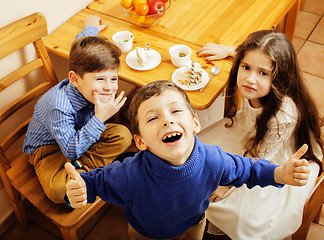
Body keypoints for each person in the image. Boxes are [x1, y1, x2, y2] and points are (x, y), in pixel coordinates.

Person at [64, 80, 310, 240]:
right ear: (140, 142)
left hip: (194, 226)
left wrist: (279, 174)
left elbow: (247, 169)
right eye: (152, 118)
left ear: (194, 123)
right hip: (146, 235)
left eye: (175, 111)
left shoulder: (213, 160)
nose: (167, 121)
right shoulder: (129, 173)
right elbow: (91, 182)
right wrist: (77, 190)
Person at [197, 30, 324, 239]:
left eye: (263, 73)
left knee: (232, 207)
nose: (250, 79)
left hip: (274, 154)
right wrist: (227, 50)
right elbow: (252, 55)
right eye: (245, 67)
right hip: (249, 130)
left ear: (280, 78)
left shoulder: (283, 115)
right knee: (197, 156)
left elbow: (258, 159)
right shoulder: (255, 79)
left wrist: (225, 184)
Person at [23, 15, 133, 204]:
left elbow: (78, 43)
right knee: (59, 192)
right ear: (74, 79)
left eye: (113, 79)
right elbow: (70, 151)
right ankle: (83, 172)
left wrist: (90, 29)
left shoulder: (87, 82)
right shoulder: (58, 106)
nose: (109, 87)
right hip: (49, 150)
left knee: (124, 135)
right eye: (100, 79)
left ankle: (80, 171)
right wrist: (99, 118)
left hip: (80, 135)